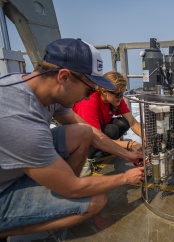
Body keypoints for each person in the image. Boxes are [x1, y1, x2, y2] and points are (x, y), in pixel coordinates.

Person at [0, 38, 145, 238]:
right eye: (89, 90)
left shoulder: (38, 87)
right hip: (4, 191)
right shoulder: (19, 119)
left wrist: (126, 154)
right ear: (64, 77)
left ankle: (56, 192)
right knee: (95, 200)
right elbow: (73, 189)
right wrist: (126, 177)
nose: (88, 97)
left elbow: (90, 131)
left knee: (82, 132)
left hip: (10, 169)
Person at [73, 71, 143, 158]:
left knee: (123, 122)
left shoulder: (116, 99)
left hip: (97, 130)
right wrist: (130, 144)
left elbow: (132, 122)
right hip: (82, 137)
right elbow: (96, 137)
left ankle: (105, 149)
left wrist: (146, 139)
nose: (121, 98)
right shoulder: (89, 102)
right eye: (118, 94)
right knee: (111, 130)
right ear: (104, 91)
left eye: (123, 94)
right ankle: (87, 157)